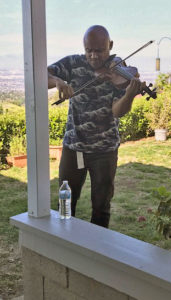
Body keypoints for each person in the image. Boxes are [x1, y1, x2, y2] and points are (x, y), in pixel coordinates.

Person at [48, 25, 145, 228]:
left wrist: (128, 95)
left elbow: (117, 111)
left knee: (101, 206)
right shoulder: (73, 63)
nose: (93, 56)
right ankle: (65, 244)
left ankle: (96, 252)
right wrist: (57, 80)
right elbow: (40, 74)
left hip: (104, 150)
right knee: (65, 203)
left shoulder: (119, 70)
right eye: (88, 50)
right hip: (73, 147)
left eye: (99, 51)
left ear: (110, 45)